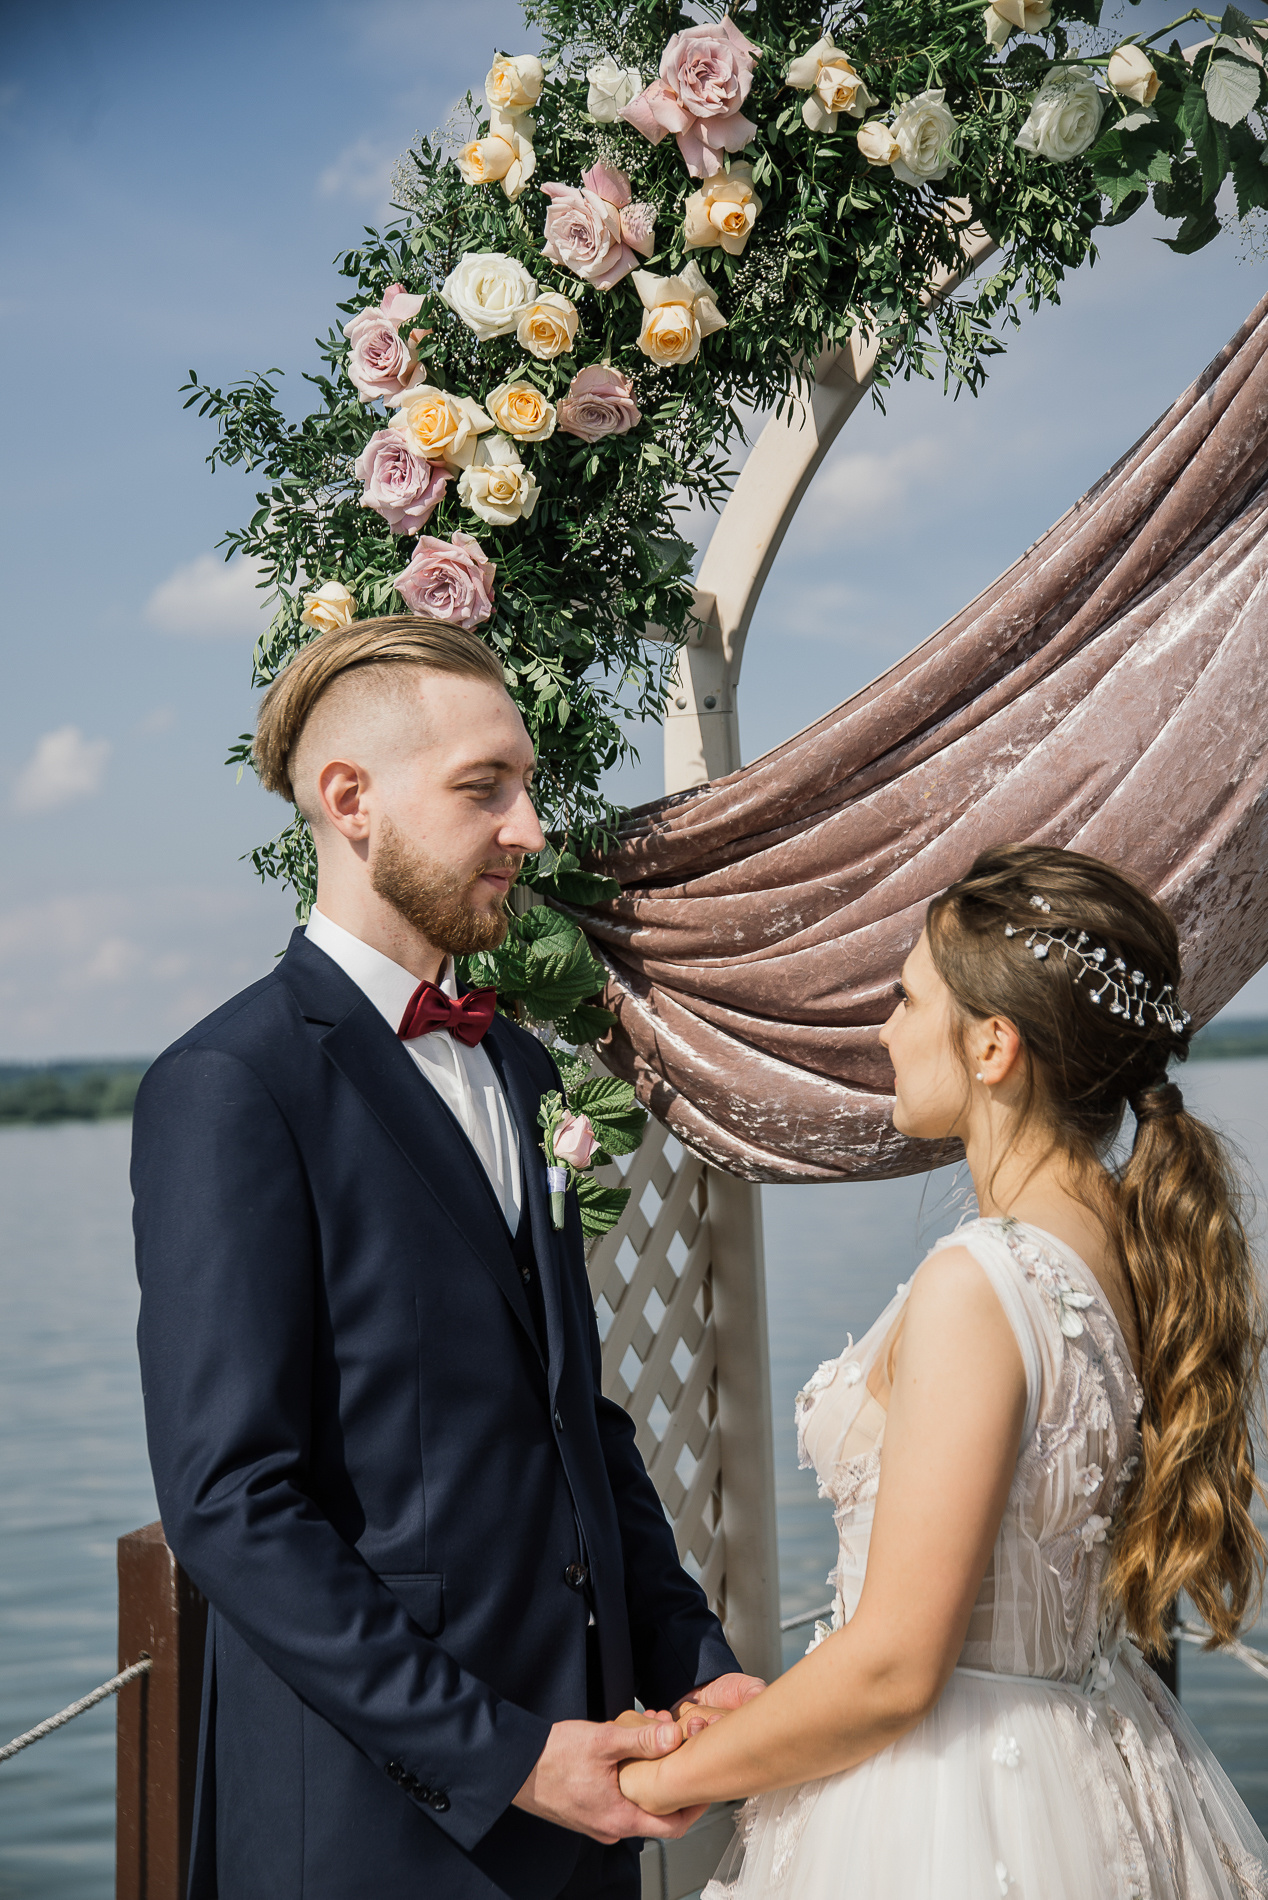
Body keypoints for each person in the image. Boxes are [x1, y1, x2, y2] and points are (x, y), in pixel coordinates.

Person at [131, 615, 763, 1900]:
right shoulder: (227, 1084)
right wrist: (511, 1758)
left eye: (524, 783)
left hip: (588, 1797)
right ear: (347, 799)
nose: (529, 826)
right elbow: (230, 1503)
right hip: (377, 1830)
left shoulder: (519, 1065)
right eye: (486, 787)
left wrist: (694, 1659)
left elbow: (571, 1419)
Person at [616, 843, 1268, 1899]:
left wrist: (665, 1778)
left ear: (992, 1047)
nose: (882, 1029)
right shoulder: (1121, 1245)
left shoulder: (982, 1277)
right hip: (1097, 1753)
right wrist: (779, 1707)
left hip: (947, 1812)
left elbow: (893, 1665)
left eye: (905, 997)